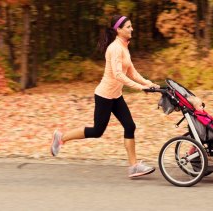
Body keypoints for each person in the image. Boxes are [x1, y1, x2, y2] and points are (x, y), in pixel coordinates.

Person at [50, 15, 159, 178]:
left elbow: (131, 72)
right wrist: (140, 88)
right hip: (104, 96)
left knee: (130, 126)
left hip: (116, 96)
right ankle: (61, 137)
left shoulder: (124, 46)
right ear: (119, 30)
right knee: (97, 131)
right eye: (128, 27)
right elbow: (117, 75)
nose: (132, 29)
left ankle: (134, 166)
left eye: (131, 26)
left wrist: (148, 83)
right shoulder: (114, 48)